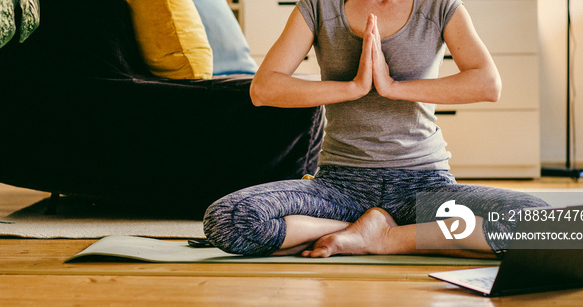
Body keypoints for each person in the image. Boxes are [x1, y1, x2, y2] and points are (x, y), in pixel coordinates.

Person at [203, 0, 548, 259]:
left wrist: (393, 86)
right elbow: (263, 89)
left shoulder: (439, 5)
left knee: (548, 224)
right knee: (229, 219)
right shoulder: (318, 6)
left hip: (424, 187)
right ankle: (358, 229)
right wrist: (353, 87)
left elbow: (487, 84)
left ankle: (387, 238)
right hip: (340, 187)